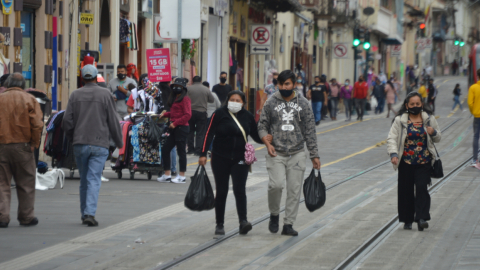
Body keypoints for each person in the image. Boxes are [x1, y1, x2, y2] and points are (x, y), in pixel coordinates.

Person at [258, 70, 321, 236]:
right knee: (275, 185)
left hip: (297, 152)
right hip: (276, 152)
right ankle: (274, 214)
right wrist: (265, 140)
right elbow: (262, 125)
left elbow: (310, 130)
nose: (284, 87)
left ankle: (288, 224)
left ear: (294, 84)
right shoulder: (271, 102)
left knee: (294, 190)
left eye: (287, 84)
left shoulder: (304, 103)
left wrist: (314, 154)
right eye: (281, 84)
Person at [63, 65, 123, 227]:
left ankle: (85, 213)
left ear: (82, 78)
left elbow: (66, 121)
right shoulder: (105, 94)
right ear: (97, 78)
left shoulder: (75, 95)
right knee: (94, 178)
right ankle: (89, 213)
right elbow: (114, 121)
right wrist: (119, 143)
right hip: (99, 144)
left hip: (80, 143)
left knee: (84, 179)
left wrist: (72, 138)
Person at [199, 90, 263, 235]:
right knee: (221, 191)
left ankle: (243, 221)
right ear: (227, 101)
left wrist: (267, 139)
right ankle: (219, 224)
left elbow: (256, 135)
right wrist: (203, 154)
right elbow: (208, 134)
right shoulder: (219, 114)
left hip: (240, 158)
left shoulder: (248, 116)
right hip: (220, 157)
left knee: (239, 190)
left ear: (244, 103)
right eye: (232, 99)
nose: (235, 102)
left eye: (238, 100)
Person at [387, 92, 441, 231]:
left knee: (422, 188)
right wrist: (393, 154)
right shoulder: (400, 121)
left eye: (418, 104)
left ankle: (422, 217)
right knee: (406, 191)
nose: (415, 106)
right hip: (406, 161)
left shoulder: (428, 119)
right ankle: (407, 219)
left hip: (424, 161)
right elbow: (392, 138)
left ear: (422, 104)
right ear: (407, 105)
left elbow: (438, 137)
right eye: (412, 104)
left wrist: (433, 132)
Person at [0, 73, 43, 228]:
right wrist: (34, 143)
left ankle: (2, 216)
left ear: (8, 84)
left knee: (2, 183)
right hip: (23, 146)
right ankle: (26, 217)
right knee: (26, 182)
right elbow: (37, 124)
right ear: (23, 85)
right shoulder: (29, 99)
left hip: (2, 145)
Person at [158, 78, 192, 184]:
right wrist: (165, 114)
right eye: (175, 86)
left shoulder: (185, 99)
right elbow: (175, 113)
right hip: (174, 128)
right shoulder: (175, 98)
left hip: (181, 128)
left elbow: (187, 115)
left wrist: (175, 123)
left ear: (183, 88)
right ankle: (167, 174)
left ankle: (182, 176)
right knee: (165, 149)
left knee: (181, 152)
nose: (177, 88)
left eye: (179, 87)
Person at [187, 76, 214, 156]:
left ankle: (190, 149)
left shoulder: (188, 89)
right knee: (200, 132)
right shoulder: (206, 89)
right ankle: (198, 150)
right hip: (201, 112)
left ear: (192, 81)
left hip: (190, 112)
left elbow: (184, 98)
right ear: (201, 81)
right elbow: (211, 100)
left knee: (190, 131)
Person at [159, 80, 177, 175]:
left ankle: (164, 168)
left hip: (159, 116)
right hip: (169, 118)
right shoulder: (173, 92)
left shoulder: (157, 90)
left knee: (163, 144)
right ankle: (172, 168)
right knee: (171, 145)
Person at [468, 69, 480, 167]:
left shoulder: (473, 87)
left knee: (476, 136)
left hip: (477, 116)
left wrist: (474, 112)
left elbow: (470, 103)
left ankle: (475, 159)